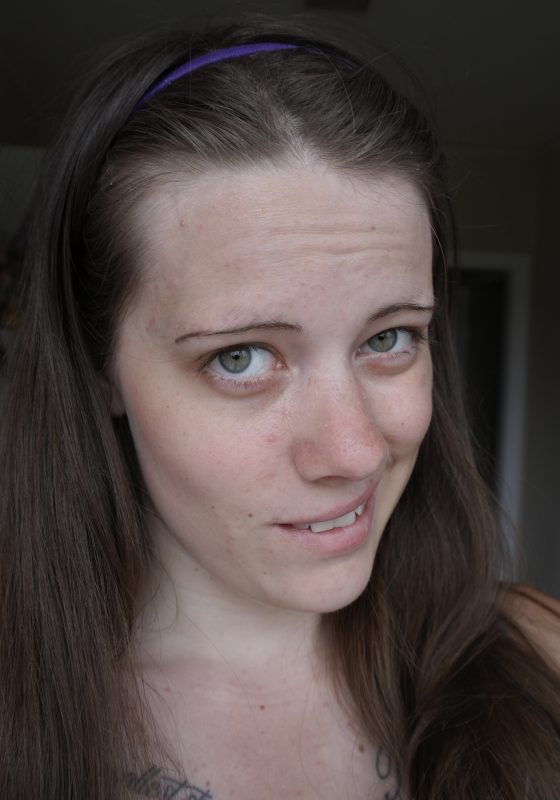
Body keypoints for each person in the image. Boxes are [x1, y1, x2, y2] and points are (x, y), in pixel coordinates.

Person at [1, 16, 559, 800]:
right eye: (241, 358)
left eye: (390, 337)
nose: (354, 452)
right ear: (100, 371)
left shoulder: (537, 655)